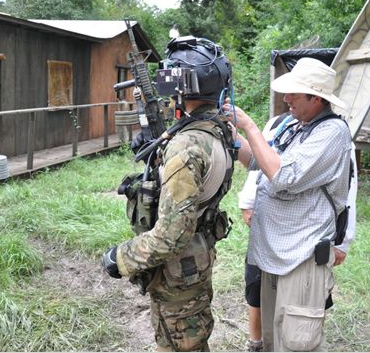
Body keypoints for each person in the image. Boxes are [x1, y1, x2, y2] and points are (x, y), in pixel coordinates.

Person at [102, 36, 237, 352]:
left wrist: (121, 258)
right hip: (194, 262)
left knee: (179, 344)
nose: (165, 81)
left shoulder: (186, 146)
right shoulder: (216, 128)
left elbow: (171, 235)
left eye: (170, 75)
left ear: (183, 84)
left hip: (178, 268)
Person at [225, 57, 353, 352]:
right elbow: (259, 161)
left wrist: (249, 126)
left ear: (316, 97)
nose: (286, 99)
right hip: (275, 255)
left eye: (294, 93)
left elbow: (283, 175)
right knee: (273, 339)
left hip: (301, 258)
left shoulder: (332, 132)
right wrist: (232, 133)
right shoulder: (294, 127)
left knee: (297, 344)